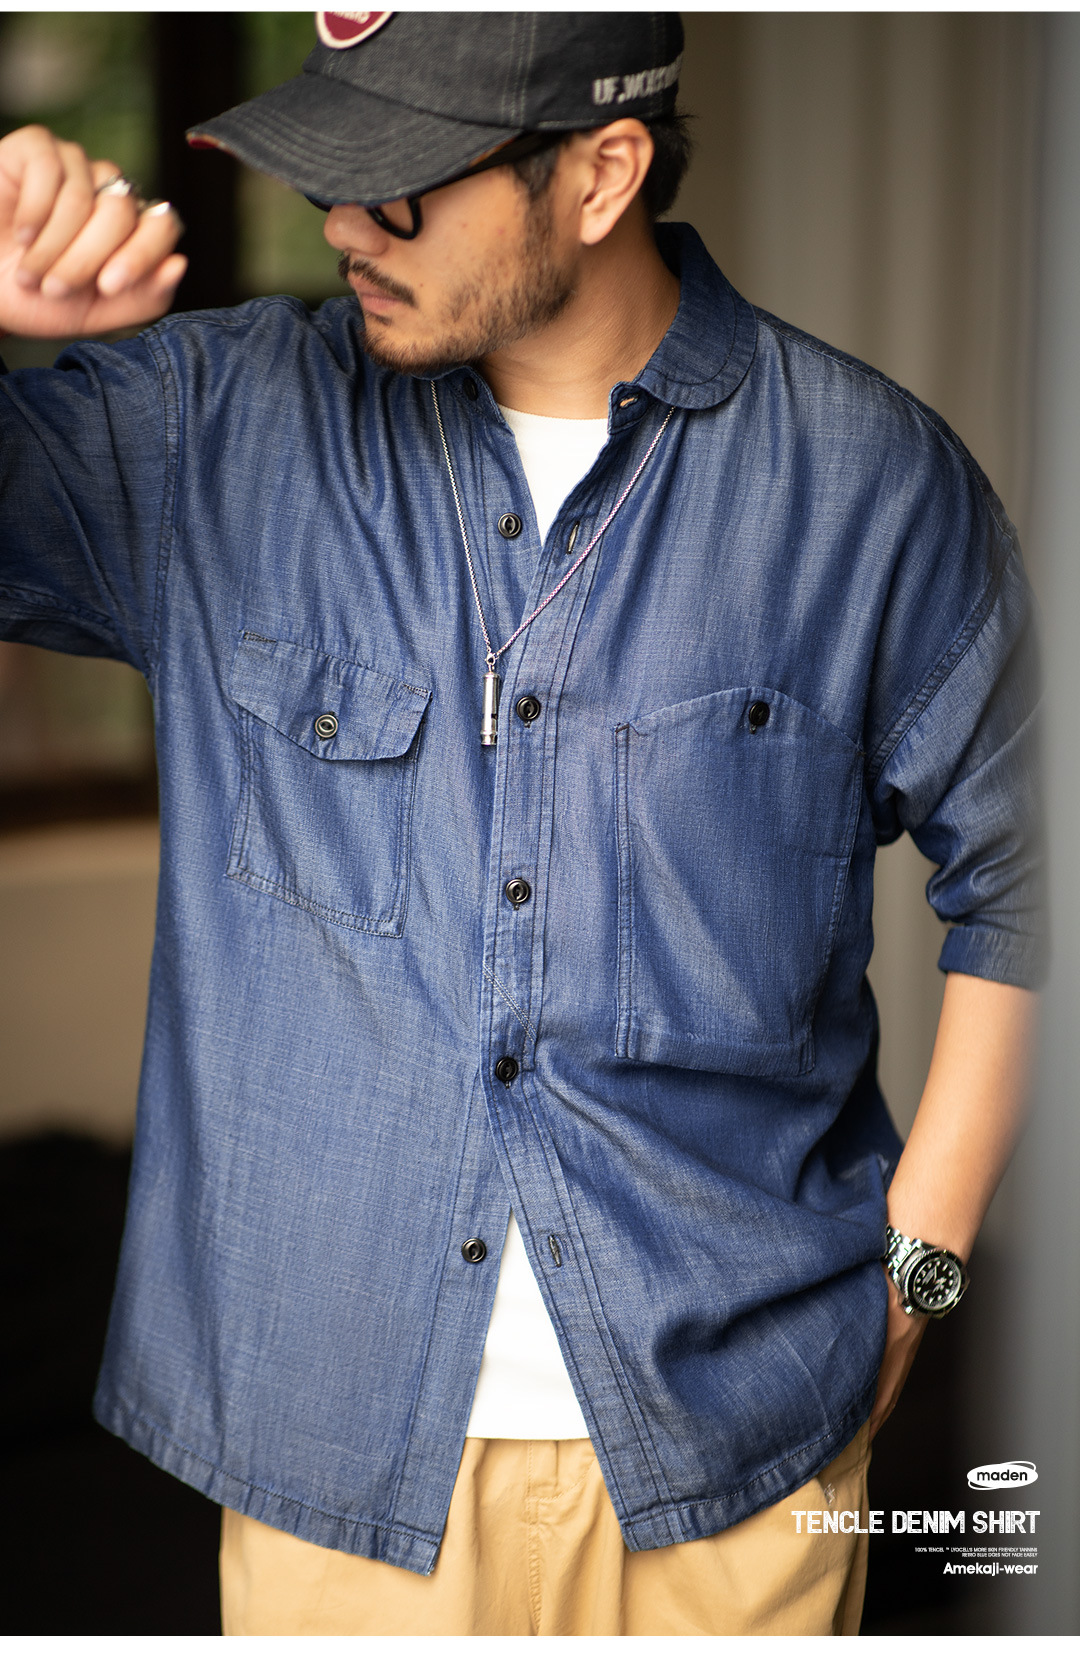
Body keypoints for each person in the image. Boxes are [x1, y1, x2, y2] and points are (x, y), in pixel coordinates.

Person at [0, 11, 1041, 1637]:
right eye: (333, 175)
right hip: (334, 1463)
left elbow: (1029, 878)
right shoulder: (216, 431)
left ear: (603, 171)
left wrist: (924, 1269)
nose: (347, 227)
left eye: (404, 186)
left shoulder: (871, 488)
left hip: (744, 1466)